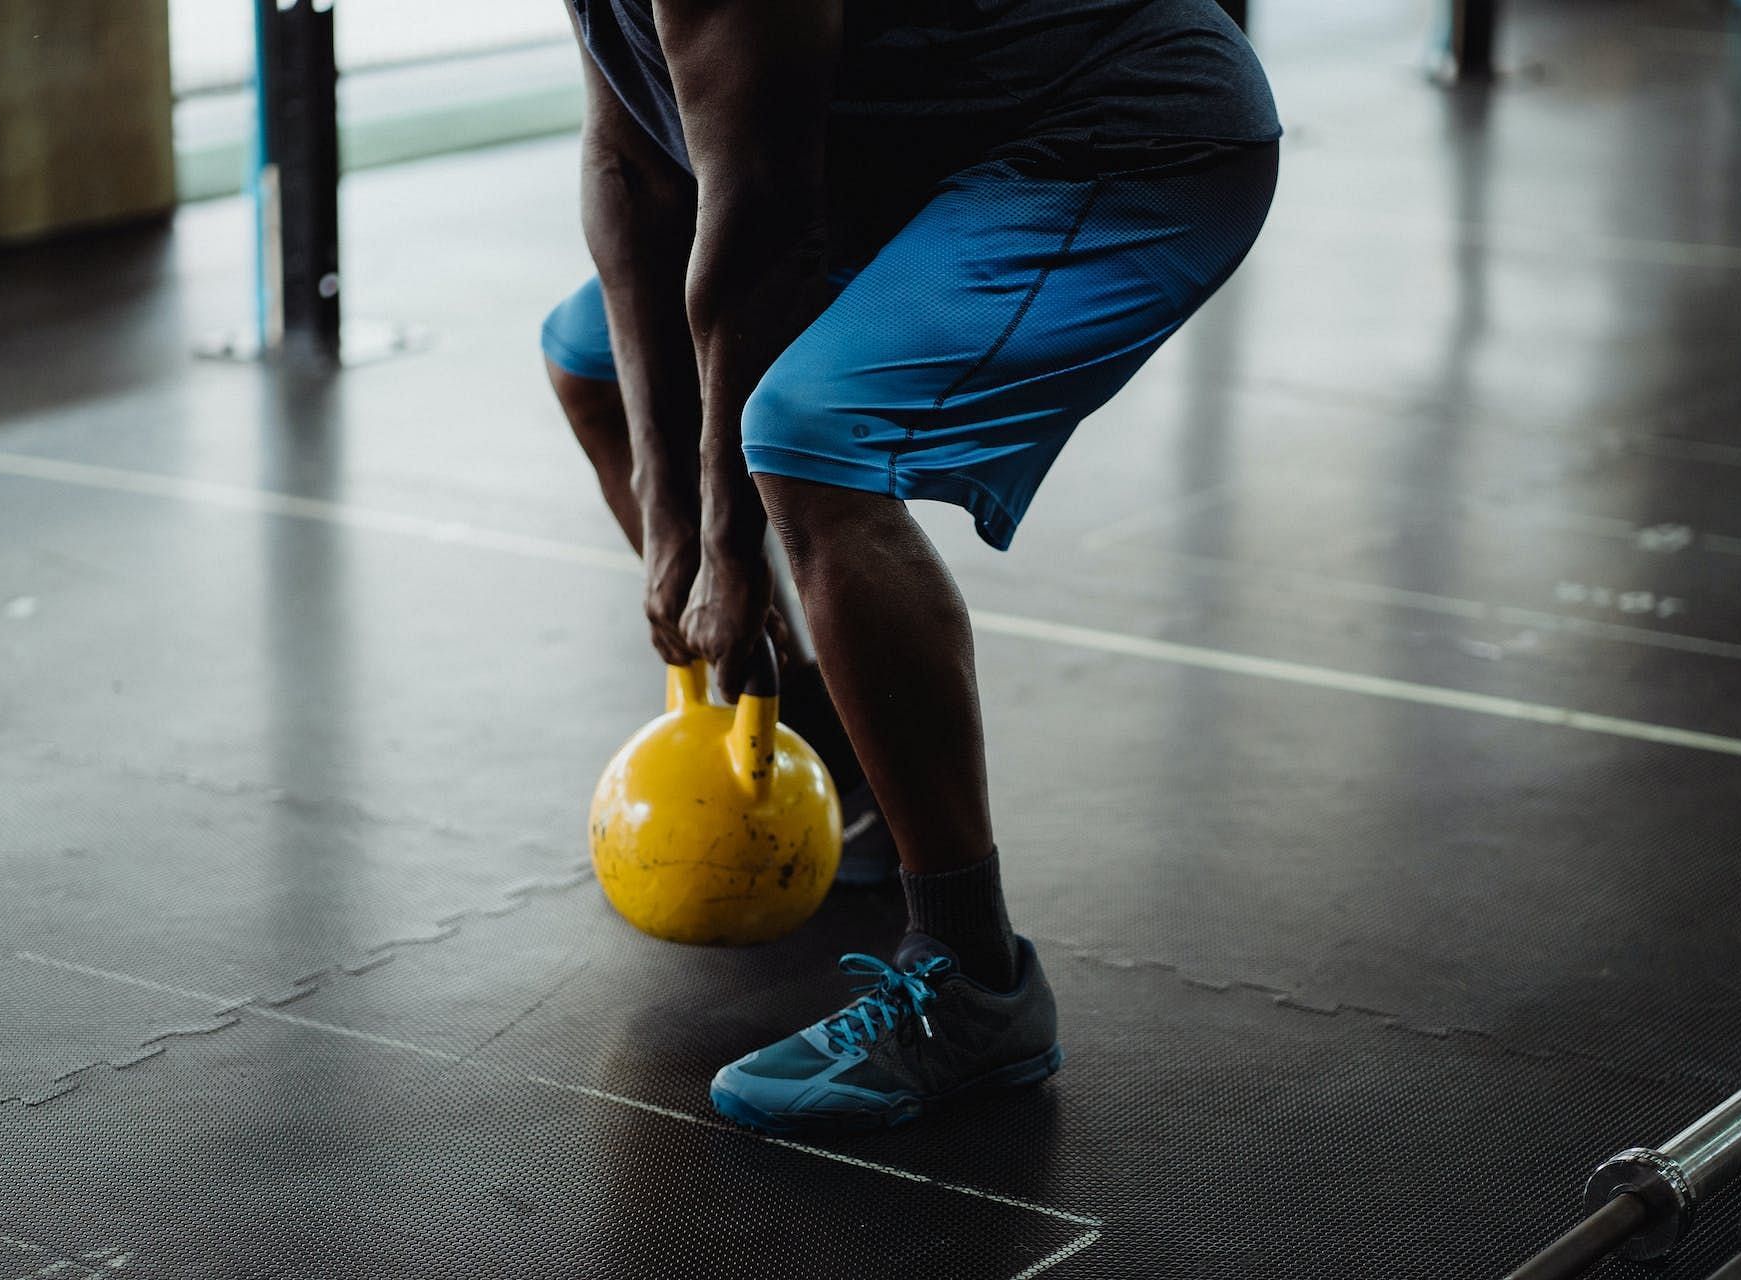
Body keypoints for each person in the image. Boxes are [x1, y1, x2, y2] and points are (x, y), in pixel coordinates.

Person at [541, 0, 1279, 1133]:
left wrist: (726, 539)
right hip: (907, 163)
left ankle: (974, 980)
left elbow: (759, 218)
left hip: (1123, 141)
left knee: (811, 434)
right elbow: (628, 164)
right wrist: (665, 500)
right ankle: (854, 792)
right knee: (594, 355)